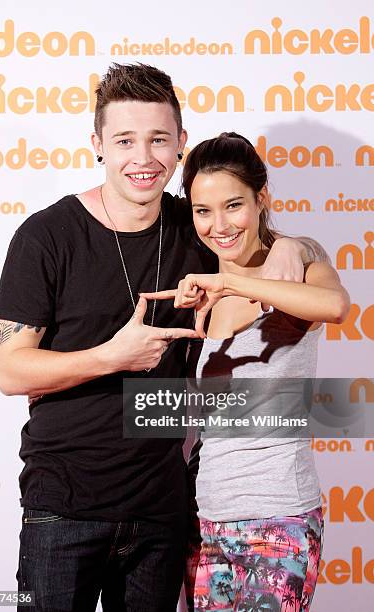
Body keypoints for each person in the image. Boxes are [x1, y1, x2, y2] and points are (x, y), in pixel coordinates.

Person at [0, 63, 326, 612]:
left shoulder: (194, 227)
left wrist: (299, 246)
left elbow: (259, 241)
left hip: (165, 512)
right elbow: (9, 369)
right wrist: (109, 356)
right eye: (125, 140)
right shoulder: (45, 237)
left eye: (158, 140)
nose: (143, 158)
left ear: (180, 145)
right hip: (64, 507)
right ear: (98, 145)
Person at [141, 132, 350, 612]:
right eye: (203, 211)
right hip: (206, 519)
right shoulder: (199, 287)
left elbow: (335, 306)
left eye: (233, 205)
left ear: (262, 199)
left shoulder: (296, 265)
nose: (219, 225)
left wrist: (239, 278)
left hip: (279, 518)